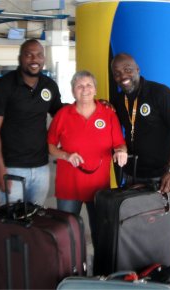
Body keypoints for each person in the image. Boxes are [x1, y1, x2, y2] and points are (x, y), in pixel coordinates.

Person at [110, 53, 170, 261]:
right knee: (140, 225)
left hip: (164, 175)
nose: (123, 76)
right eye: (117, 73)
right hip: (136, 176)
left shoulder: (160, 93)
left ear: (137, 70)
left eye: (127, 69)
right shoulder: (119, 100)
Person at [47, 70, 128, 246]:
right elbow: (50, 146)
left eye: (89, 85)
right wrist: (65, 155)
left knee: (101, 233)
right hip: (68, 187)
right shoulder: (63, 114)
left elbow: (119, 144)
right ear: (72, 90)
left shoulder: (108, 114)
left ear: (95, 89)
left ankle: (100, 270)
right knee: (67, 234)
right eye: (79, 86)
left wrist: (121, 151)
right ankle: (71, 269)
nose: (85, 89)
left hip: (99, 188)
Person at [0, 39, 63, 205]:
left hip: (41, 167)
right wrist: (0, 168)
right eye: (29, 55)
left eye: (39, 55)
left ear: (44, 59)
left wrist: (93, 105)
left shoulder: (49, 86)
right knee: (12, 223)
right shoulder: (3, 86)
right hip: (12, 167)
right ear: (20, 58)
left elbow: (62, 113)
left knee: (35, 223)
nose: (34, 60)